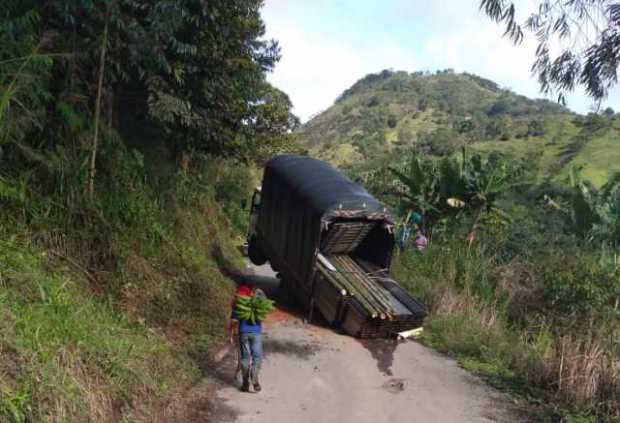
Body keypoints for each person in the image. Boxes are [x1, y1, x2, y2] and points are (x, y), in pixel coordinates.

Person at [229, 280, 265, 393]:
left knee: (245, 358)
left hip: (243, 332)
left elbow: (234, 320)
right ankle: (255, 378)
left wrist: (231, 334)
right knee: (257, 356)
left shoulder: (239, 303)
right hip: (256, 332)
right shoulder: (258, 302)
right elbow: (263, 314)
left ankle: (245, 383)